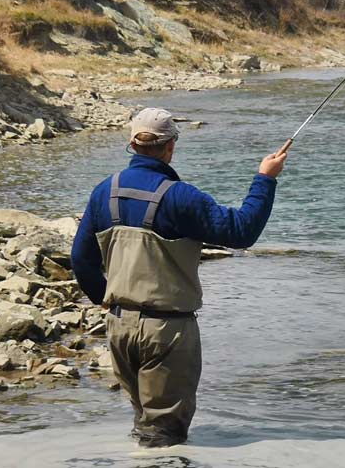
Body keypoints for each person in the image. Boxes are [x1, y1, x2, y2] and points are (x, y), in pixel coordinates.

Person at [70, 107, 286, 447]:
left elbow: (81, 261)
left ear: (132, 143)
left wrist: (107, 302)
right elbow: (242, 232)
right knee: (164, 436)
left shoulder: (103, 192)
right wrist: (265, 178)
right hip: (167, 330)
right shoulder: (181, 197)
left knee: (144, 425)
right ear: (171, 146)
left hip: (118, 326)